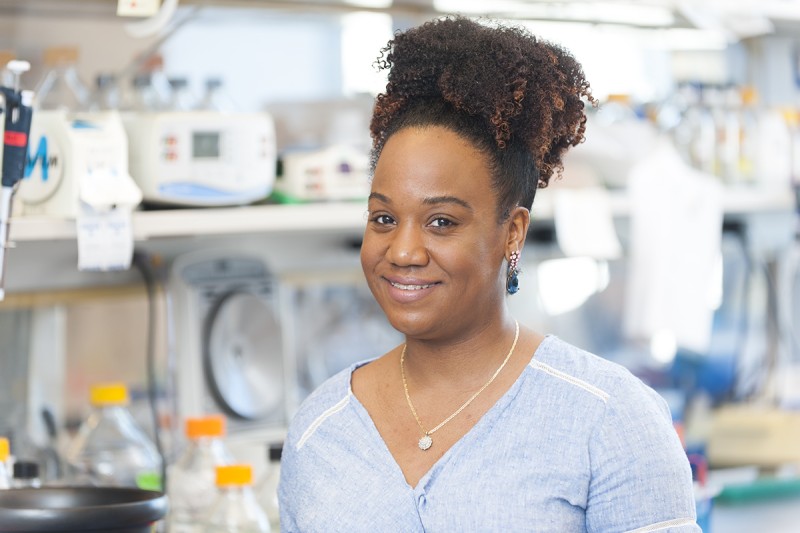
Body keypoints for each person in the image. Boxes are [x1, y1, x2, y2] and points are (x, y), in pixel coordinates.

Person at [279, 16, 699, 532]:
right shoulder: (322, 430)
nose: (403, 251)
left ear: (512, 233)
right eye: (383, 218)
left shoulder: (609, 419)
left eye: (441, 222)